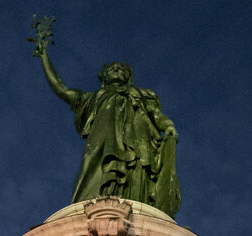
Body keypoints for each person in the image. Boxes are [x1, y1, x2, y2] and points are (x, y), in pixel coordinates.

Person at [30, 17, 181, 217]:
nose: (116, 70)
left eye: (121, 69)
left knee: (137, 178)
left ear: (127, 78)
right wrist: (44, 57)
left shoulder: (141, 95)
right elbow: (61, 88)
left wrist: (168, 125)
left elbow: (156, 115)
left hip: (139, 142)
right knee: (94, 172)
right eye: (112, 69)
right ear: (104, 77)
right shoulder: (92, 99)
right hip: (102, 143)